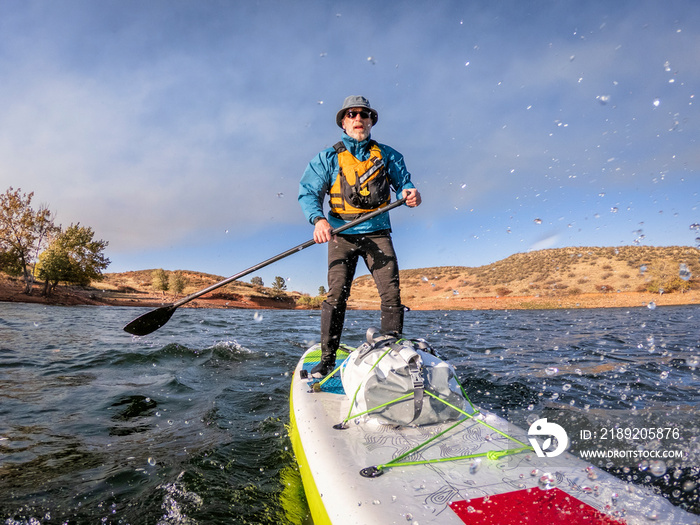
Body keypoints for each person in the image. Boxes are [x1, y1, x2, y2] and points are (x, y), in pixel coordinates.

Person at [298, 95, 422, 378]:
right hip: (341, 235)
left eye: (364, 115)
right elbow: (308, 193)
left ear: (371, 121)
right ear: (343, 122)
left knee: (392, 296)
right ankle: (327, 360)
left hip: (378, 234)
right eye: (352, 115)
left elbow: (405, 183)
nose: (358, 119)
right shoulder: (327, 158)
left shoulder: (389, 155)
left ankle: (392, 363)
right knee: (336, 295)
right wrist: (318, 220)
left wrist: (411, 192)